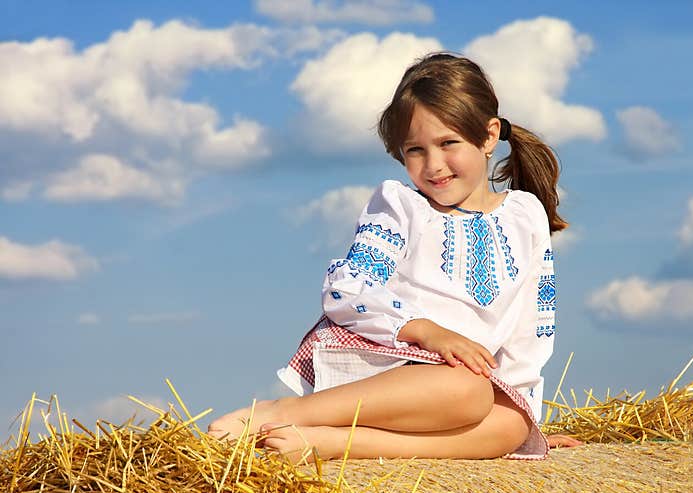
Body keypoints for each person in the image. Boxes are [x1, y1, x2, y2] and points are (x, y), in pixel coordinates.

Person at [207, 51, 579, 463]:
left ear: (489, 136)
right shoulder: (401, 207)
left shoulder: (525, 214)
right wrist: (426, 331)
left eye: (447, 143)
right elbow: (346, 290)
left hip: (464, 389)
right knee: (468, 388)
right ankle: (281, 413)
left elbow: (531, 329)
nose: (433, 165)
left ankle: (332, 444)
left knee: (509, 425)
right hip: (391, 370)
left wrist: (527, 414)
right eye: (415, 150)